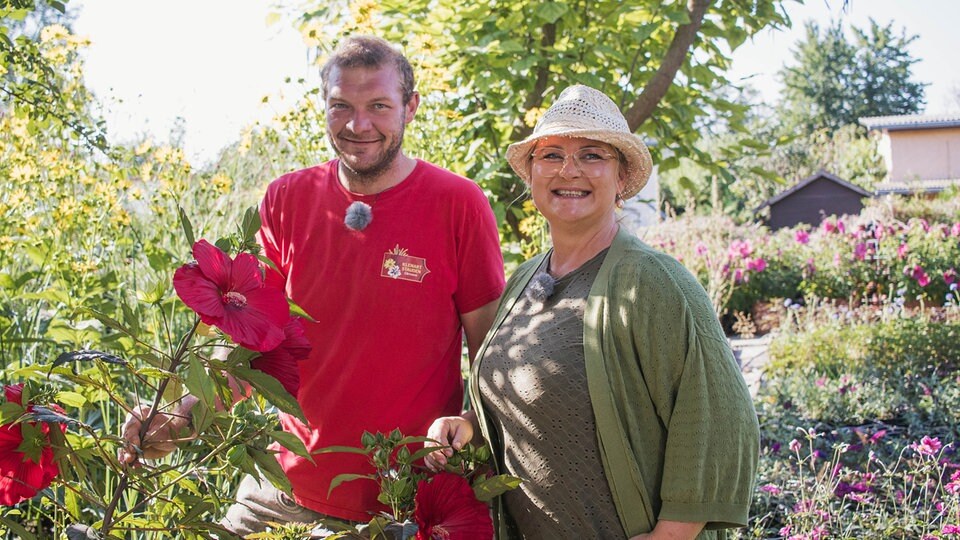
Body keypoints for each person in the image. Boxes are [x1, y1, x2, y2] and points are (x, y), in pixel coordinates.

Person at [120, 35, 505, 534]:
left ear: (411, 107)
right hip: (282, 490)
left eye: (379, 106)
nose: (357, 124)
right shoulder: (287, 199)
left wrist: (469, 426)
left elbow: (494, 355)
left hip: (403, 503)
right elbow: (255, 345)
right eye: (341, 106)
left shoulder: (457, 204)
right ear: (323, 106)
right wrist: (179, 414)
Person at [425, 84, 760, 539]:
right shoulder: (523, 279)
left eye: (591, 155)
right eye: (551, 155)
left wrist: (670, 536)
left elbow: (718, 417)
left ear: (621, 179)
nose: (569, 170)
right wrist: (467, 424)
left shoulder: (652, 282)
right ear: (531, 175)